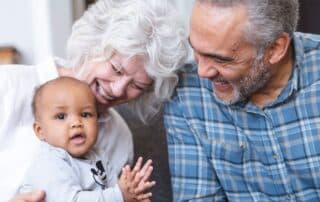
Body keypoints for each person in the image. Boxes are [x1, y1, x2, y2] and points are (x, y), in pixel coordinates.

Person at [0, 0, 189, 201]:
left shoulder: (119, 137)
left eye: (137, 86)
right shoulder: (8, 86)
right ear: (93, 45)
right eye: (116, 68)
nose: (118, 89)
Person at [165, 0, 320, 201]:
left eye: (221, 59)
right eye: (196, 50)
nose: (202, 72)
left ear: (275, 48)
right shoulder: (187, 94)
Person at [19, 77, 155, 202]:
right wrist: (119, 195)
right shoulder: (49, 161)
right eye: (61, 116)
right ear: (40, 131)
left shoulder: (99, 155)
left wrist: (132, 195)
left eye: (85, 114)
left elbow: (112, 192)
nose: (76, 123)